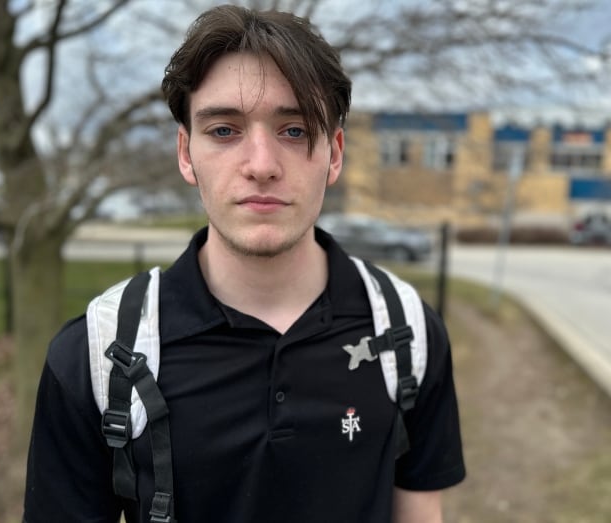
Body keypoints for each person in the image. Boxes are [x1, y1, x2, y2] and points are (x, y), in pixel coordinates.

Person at [23, 5, 465, 522]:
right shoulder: (97, 356)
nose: (261, 165)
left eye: (295, 130)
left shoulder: (406, 330)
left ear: (336, 153)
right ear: (186, 153)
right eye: (225, 131)